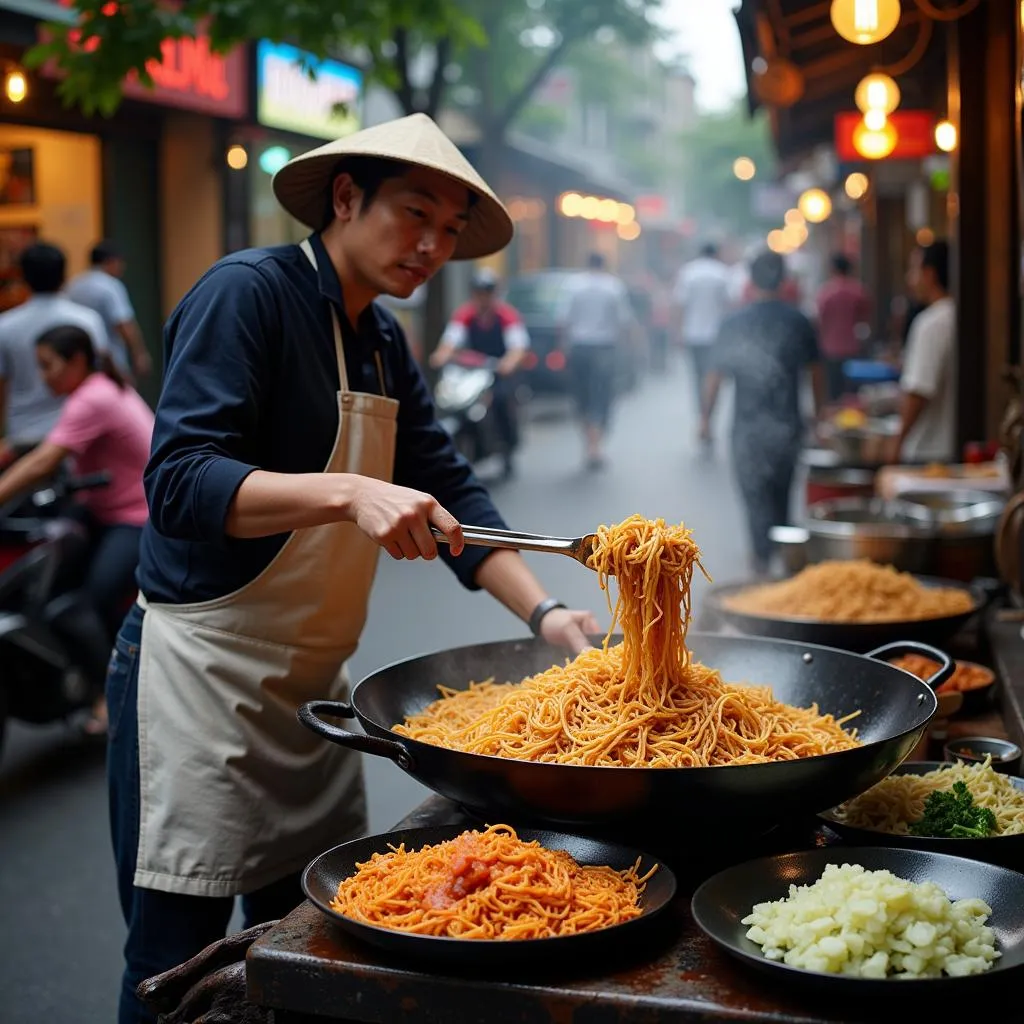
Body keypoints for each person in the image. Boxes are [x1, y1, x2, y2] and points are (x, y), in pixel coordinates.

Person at [106, 112, 600, 1024]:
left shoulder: (382, 340)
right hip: (197, 681)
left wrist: (549, 617)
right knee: (174, 966)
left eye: (450, 231)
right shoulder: (247, 295)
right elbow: (177, 480)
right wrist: (347, 493)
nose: (432, 245)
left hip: (309, 694)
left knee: (302, 951)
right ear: (344, 198)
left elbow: (451, 490)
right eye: (415, 214)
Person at [0, 324, 153, 733]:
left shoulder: (94, 397)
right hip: (99, 506)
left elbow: (43, 462)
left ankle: (109, 694)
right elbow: (42, 444)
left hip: (136, 515)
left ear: (77, 361)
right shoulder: (95, 387)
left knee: (90, 598)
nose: (44, 376)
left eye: (48, 366)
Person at [700, 250, 824, 575]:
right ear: (784, 280)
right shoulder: (799, 320)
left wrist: (705, 420)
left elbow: (715, 376)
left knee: (754, 499)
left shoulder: (734, 323)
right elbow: (816, 373)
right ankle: (781, 562)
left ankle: (761, 563)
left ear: (750, 281)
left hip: (747, 430)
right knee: (782, 498)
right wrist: (820, 416)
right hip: (788, 427)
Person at [0, 242, 108, 464]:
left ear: (24, 277)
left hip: (23, 434)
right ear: (64, 274)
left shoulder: (5, 326)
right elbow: (100, 376)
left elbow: (2, 387)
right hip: (79, 435)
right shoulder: (88, 320)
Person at [430, 267, 530, 478]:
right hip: (471, 374)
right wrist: (441, 355)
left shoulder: (506, 316)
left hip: (497, 374)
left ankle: (506, 445)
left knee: (501, 400)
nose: (483, 297)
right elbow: (450, 341)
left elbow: (518, 348)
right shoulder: (465, 314)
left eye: (487, 292)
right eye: (479, 292)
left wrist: (509, 363)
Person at [560, 251, 635, 470]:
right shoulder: (613, 286)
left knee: (582, 395)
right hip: (604, 348)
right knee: (601, 395)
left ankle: (589, 443)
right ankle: (595, 445)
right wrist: (628, 348)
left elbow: (563, 320)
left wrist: (564, 348)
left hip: (579, 348)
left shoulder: (573, 286)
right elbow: (624, 321)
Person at [895, 240, 956, 463]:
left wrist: (897, 443)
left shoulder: (931, 323)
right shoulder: (955, 316)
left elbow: (918, 391)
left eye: (913, 270)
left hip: (927, 451)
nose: (910, 279)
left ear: (929, 274)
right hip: (949, 446)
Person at [66, 239, 152, 382]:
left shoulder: (74, 285)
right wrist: (139, 354)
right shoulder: (110, 286)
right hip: (110, 361)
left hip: (78, 361)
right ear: (111, 261)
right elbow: (123, 323)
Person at [673, 243, 734, 434]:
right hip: (717, 336)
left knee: (698, 379)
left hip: (694, 335)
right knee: (715, 379)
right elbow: (730, 305)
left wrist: (678, 332)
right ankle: (708, 418)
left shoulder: (688, 272)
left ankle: (702, 418)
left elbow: (680, 305)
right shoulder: (723, 273)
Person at [814, 253, 871, 402]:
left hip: (830, 350)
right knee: (852, 395)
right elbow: (865, 318)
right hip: (853, 347)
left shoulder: (825, 292)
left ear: (833, 269)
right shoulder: (858, 290)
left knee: (834, 394)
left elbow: (820, 321)